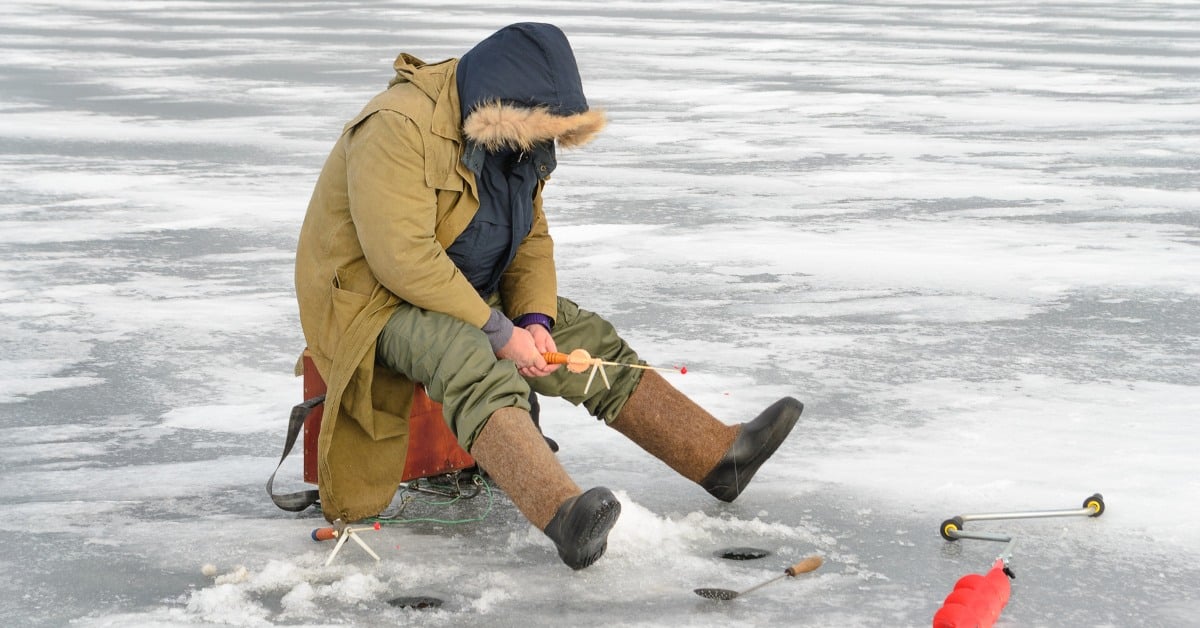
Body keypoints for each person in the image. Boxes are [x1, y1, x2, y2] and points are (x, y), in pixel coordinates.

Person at [294, 22, 803, 570]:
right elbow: (402, 259)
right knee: (469, 356)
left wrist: (533, 318)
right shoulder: (398, 128)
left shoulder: (516, 143)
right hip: (369, 301)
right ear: (504, 108)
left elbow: (529, 237)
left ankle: (716, 456)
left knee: (582, 336)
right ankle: (562, 515)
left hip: (458, 284)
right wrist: (499, 332)